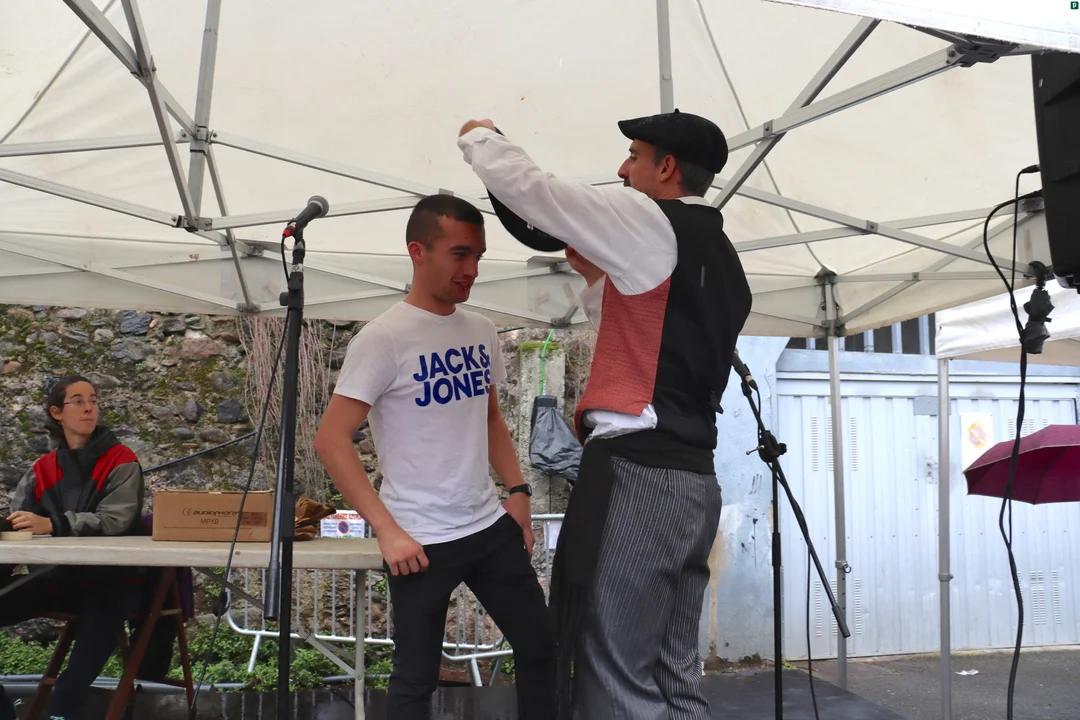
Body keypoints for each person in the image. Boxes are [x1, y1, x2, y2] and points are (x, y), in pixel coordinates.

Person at [458, 109, 753, 719]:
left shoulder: (650, 221)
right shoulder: (725, 261)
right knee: (674, 672)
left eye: (634, 157)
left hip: (639, 476)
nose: (622, 169)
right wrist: (598, 277)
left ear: (666, 168)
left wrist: (480, 137)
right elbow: (650, 334)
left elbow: (535, 192)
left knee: (615, 664)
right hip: (694, 481)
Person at [313, 194, 554, 720]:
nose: (471, 270)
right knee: (415, 680)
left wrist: (518, 491)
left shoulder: (481, 330)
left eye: (478, 256)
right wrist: (386, 530)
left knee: (542, 649)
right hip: (419, 540)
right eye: (459, 254)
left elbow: (489, 417)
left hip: (487, 526)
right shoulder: (382, 339)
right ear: (417, 251)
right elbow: (331, 440)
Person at [0, 375, 146, 720]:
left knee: (100, 621)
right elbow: (20, 521)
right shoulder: (42, 469)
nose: (89, 407)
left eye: (93, 400)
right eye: (78, 401)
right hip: (57, 580)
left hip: (112, 582)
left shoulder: (122, 460)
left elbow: (116, 520)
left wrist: (52, 524)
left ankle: (61, 712)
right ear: (57, 413)